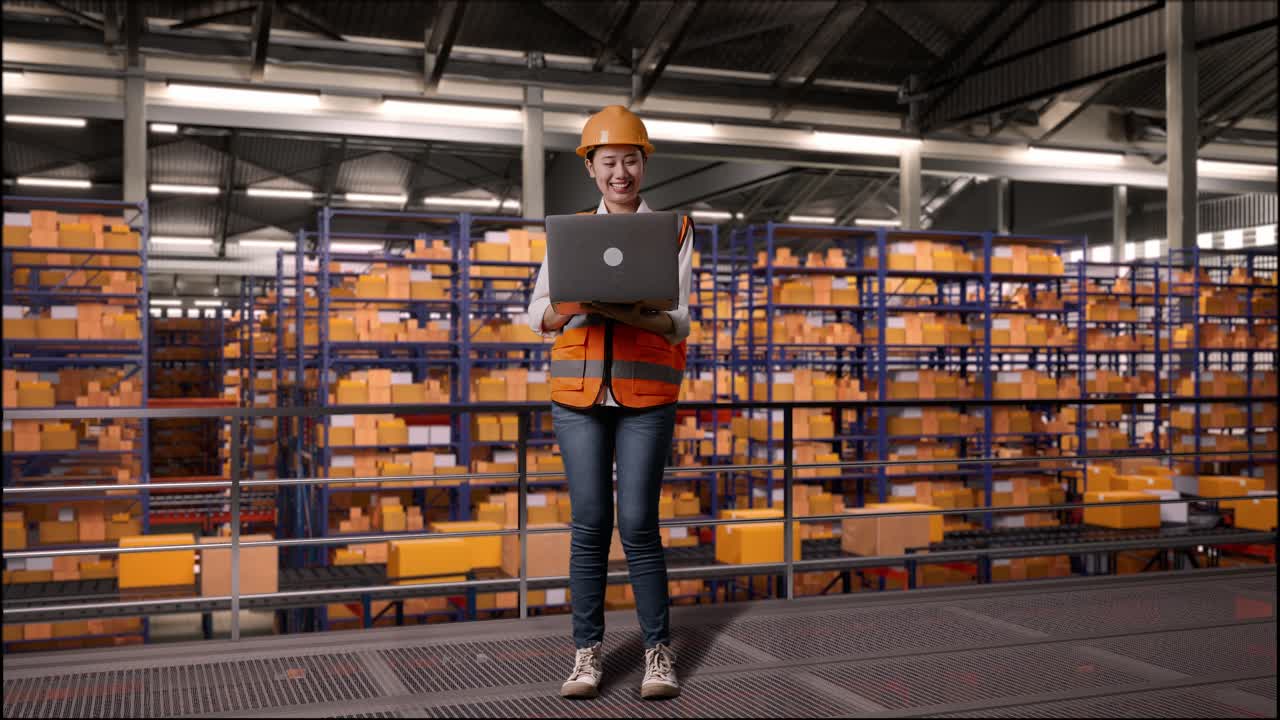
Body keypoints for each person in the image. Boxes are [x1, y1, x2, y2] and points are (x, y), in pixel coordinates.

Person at [526, 105, 693, 701]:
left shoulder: (673, 229)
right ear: (591, 168)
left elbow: (679, 320)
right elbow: (536, 313)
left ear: (643, 165)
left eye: (630, 160)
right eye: (608, 162)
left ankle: (657, 653)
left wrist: (630, 311)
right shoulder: (570, 232)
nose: (620, 172)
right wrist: (577, 304)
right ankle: (587, 654)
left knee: (640, 524)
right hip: (578, 396)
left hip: (645, 395)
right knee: (590, 524)